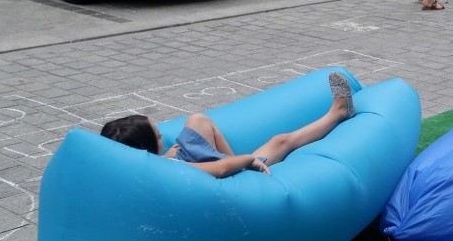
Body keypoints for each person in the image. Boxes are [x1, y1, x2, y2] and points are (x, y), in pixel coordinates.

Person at [100, 72, 355, 178]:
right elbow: (220, 169)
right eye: (157, 137)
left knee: (197, 120)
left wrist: (165, 156)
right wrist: (246, 161)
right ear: (145, 150)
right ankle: (338, 113)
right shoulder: (172, 173)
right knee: (281, 141)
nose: (162, 138)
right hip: (220, 180)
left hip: (189, 165)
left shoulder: (139, 167)